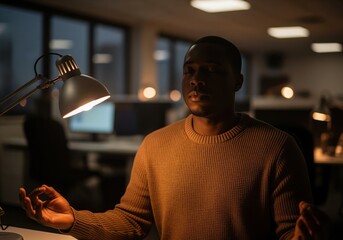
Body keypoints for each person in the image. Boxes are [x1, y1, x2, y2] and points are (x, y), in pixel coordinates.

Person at [19, 36, 331, 239]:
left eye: (211, 70)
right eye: (190, 70)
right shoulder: (155, 145)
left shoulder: (276, 147)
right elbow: (131, 221)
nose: (197, 79)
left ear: (237, 81)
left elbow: (290, 232)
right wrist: (73, 219)